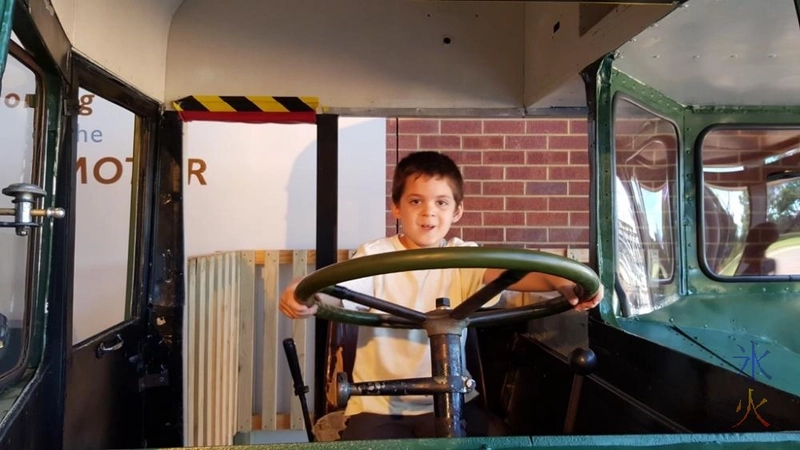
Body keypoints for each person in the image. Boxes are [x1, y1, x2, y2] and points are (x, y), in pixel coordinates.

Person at [279, 151, 604, 440]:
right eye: (415, 201)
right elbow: (340, 293)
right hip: (378, 403)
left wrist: (560, 279)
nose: (428, 213)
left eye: (441, 202)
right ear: (396, 208)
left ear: (457, 211)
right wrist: (306, 292)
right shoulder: (375, 256)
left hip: (454, 398)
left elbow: (510, 275)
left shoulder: (464, 259)